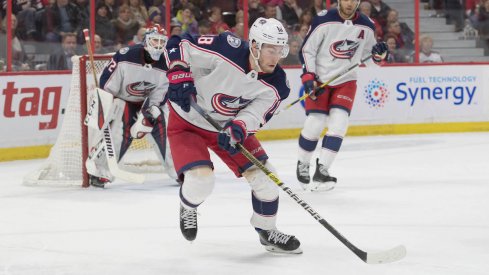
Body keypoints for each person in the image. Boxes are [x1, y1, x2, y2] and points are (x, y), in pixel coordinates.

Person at [165, 17, 301, 254]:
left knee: (267, 180)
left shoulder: (279, 84)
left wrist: (238, 128)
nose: (276, 56)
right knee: (201, 182)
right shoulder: (227, 47)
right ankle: (188, 205)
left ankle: (267, 231)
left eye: (280, 50)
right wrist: (178, 71)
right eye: (271, 49)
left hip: (226, 127)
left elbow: (255, 114)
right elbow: (179, 43)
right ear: (256, 46)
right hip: (187, 119)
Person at [295, 0, 388, 191]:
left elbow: (371, 60)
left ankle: (323, 170)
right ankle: (303, 162)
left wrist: (379, 55)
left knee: (339, 123)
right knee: (316, 122)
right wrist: (308, 76)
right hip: (320, 79)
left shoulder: (367, 25)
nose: (349, 3)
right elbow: (307, 49)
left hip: (346, 81)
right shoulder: (323, 20)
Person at [87, 24, 177, 188]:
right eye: (154, 40)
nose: (158, 45)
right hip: (124, 100)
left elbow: (162, 91)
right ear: (146, 40)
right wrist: (105, 105)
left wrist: (152, 112)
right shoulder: (126, 56)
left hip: (148, 102)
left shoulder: (167, 62)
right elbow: (107, 84)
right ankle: (101, 171)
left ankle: (179, 169)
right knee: (120, 132)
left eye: (161, 42)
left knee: (163, 127)